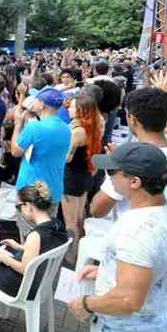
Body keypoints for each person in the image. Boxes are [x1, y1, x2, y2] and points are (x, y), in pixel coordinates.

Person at [70, 143, 167, 332]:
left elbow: (128, 299)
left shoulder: (136, 230)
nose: (109, 178)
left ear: (135, 181)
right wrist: (106, 271)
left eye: (113, 172)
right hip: (153, 331)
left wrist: (87, 303)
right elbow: (153, 269)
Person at [90, 87, 167, 220]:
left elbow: (97, 210)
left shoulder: (131, 160)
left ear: (132, 119)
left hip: (135, 235)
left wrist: (113, 173)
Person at [0, 182, 68, 299]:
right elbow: (44, 250)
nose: (20, 211)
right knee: (5, 250)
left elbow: (24, 268)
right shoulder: (57, 225)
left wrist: (4, 258)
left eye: (19, 207)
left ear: (28, 206)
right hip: (40, 282)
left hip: (23, 288)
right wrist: (21, 247)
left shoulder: (36, 235)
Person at [10, 87, 71, 235]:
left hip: (31, 190)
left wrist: (18, 125)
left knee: (30, 238)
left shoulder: (35, 127)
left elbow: (15, 151)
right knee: (47, 235)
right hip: (54, 189)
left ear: (42, 104)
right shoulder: (66, 128)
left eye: (36, 99)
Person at [62, 92, 102, 263]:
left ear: (80, 110)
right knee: (79, 217)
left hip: (71, 178)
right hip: (85, 175)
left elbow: (66, 158)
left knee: (70, 222)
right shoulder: (94, 126)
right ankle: (79, 253)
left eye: (71, 107)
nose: (68, 109)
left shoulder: (77, 131)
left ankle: (71, 258)